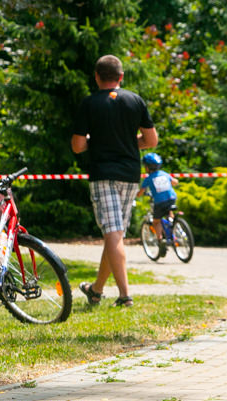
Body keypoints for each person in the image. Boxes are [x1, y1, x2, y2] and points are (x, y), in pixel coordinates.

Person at [71, 54, 158, 308]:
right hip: (131, 174)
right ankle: (96, 290)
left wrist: (95, 143)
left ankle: (125, 295)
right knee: (115, 234)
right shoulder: (135, 100)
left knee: (113, 233)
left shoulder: (89, 103)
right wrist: (132, 143)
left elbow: (77, 146)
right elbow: (151, 141)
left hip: (103, 175)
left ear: (97, 77)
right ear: (121, 77)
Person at [140, 152, 178, 251]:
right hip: (172, 198)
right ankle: (173, 229)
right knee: (169, 212)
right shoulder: (164, 174)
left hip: (159, 202)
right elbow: (175, 182)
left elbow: (140, 192)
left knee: (156, 221)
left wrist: (135, 195)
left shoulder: (148, 179)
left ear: (147, 167)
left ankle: (160, 240)